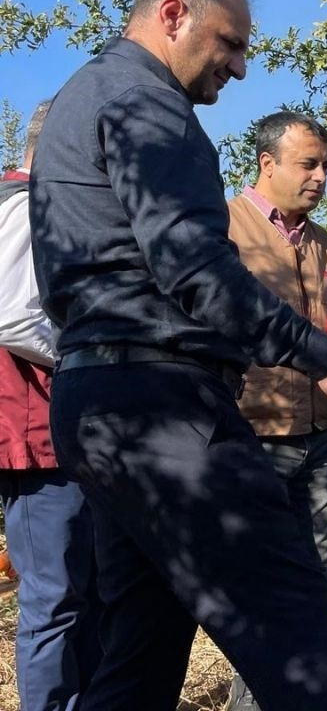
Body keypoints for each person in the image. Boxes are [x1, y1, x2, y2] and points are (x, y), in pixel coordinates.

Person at [29, 0, 327, 708]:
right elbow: (197, 271)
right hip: (165, 409)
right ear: (174, 13)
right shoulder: (148, 105)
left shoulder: (81, 97)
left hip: (98, 407)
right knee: (298, 638)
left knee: (140, 648)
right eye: (230, 44)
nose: (238, 68)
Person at [221, 111, 327, 711]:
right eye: (309, 164)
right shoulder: (224, 228)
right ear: (267, 164)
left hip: (321, 431)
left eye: (325, 164)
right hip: (254, 434)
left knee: (316, 567)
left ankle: (311, 692)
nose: (321, 176)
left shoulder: (324, 244)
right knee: (259, 580)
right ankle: (256, 700)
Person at [0, 101, 102, 710]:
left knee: (81, 588)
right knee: (55, 596)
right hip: (36, 434)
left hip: (59, 430)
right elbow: (13, 315)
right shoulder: (23, 203)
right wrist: (84, 355)